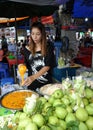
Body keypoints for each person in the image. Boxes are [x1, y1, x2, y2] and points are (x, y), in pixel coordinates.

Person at [22, 22, 56, 91]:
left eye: (38, 34)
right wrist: (21, 66)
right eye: (33, 34)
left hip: (46, 85)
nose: (35, 37)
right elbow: (27, 64)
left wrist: (33, 77)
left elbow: (47, 66)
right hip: (32, 84)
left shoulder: (48, 47)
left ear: (42, 35)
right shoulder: (26, 49)